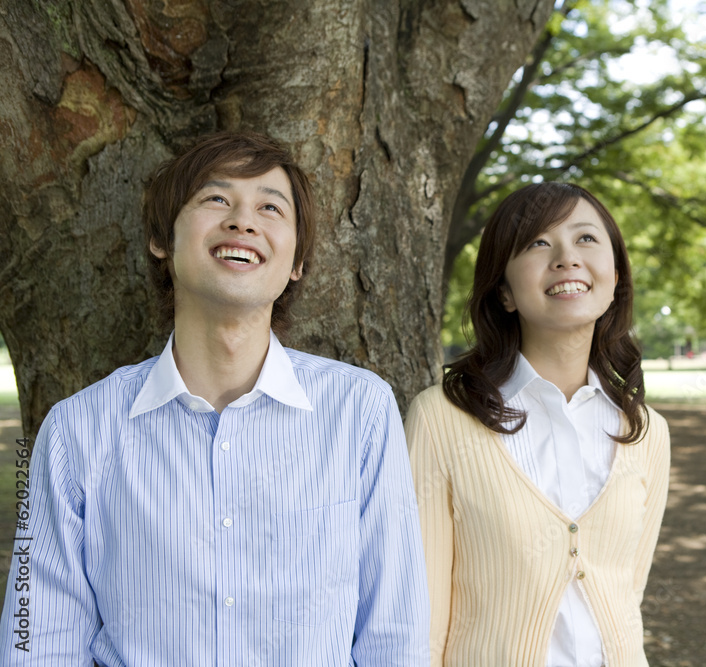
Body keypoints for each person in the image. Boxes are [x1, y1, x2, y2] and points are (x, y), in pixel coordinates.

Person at [0, 131, 429, 665]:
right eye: (216, 199)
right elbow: (36, 638)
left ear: (297, 262)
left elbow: (395, 632)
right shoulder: (76, 429)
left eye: (270, 207)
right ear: (162, 240)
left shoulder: (360, 411)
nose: (243, 221)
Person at [405, 182, 671, 666]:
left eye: (586, 239)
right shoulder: (440, 419)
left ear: (615, 277)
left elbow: (629, 590)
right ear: (504, 291)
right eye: (538, 243)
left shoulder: (646, 431)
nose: (566, 257)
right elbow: (421, 613)